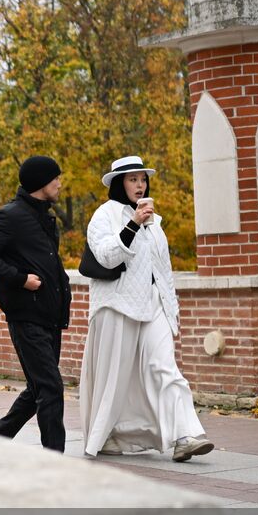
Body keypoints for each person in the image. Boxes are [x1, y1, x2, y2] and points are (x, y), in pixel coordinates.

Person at [80, 156, 214, 462]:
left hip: (154, 304)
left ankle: (185, 436)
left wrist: (171, 308)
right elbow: (106, 257)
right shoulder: (104, 215)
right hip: (118, 305)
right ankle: (109, 435)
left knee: (165, 367)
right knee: (115, 377)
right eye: (132, 180)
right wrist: (134, 224)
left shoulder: (156, 222)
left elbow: (163, 270)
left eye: (142, 179)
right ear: (118, 184)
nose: (139, 185)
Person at [0, 156, 73, 452]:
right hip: (26, 316)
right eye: (56, 178)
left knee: (37, 389)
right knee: (50, 387)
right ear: (42, 182)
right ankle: (55, 460)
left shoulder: (44, 218)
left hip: (49, 316)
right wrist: (19, 279)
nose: (59, 183)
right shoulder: (10, 216)